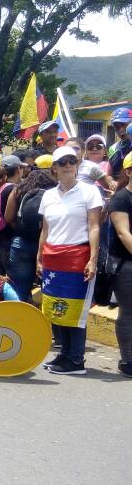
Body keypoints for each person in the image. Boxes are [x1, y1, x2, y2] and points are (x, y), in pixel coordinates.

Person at [37, 146, 103, 375]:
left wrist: (92, 259)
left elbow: (94, 226)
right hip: (53, 258)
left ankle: (76, 360)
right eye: (63, 162)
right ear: (54, 167)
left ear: (77, 164)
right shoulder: (48, 195)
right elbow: (45, 230)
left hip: (77, 256)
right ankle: (64, 354)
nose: (68, 166)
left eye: (72, 161)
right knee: (55, 308)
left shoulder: (89, 191)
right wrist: (39, 257)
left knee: (75, 310)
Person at [3, 169, 56, 303]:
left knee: (19, 288)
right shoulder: (55, 194)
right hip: (47, 245)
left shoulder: (18, 191)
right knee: (50, 286)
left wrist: (20, 228)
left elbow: (8, 218)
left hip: (21, 243)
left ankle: (20, 318)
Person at [108, 153, 132, 377]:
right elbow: (124, 234)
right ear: (129, 171)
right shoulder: (122, 199)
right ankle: (128, 360)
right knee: (129, 311)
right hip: (126, 264)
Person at [107, 107, 132, 177]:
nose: (121, 129)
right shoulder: (113, 148)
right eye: (117, 126)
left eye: (124, 124)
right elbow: (109, 175)